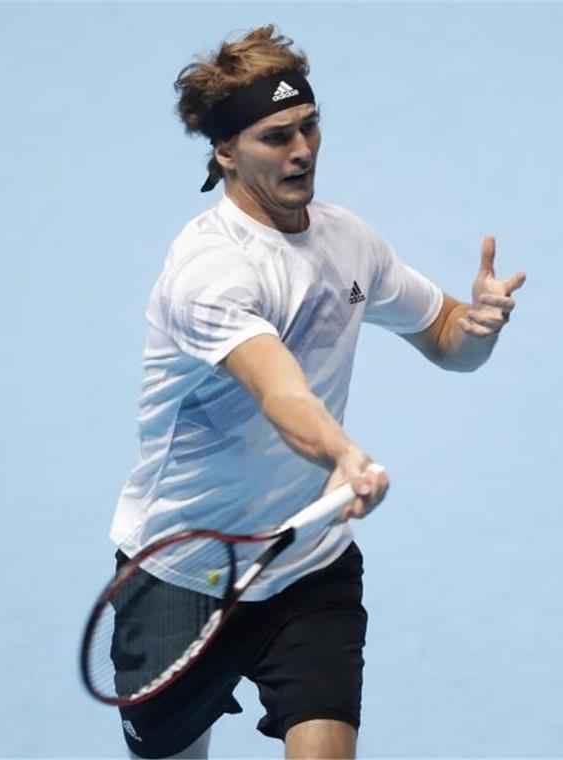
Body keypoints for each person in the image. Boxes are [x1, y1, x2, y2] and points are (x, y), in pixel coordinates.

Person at [107, 24, 526, 759]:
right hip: (181, 572)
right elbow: (282, 393)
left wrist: (480, 323)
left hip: (307, 560)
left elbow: (446, 338)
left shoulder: (348, 241)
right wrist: (342, 453)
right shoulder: (209, 274)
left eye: (309, 126)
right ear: (226, 152)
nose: (301, 150)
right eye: (275, 137)